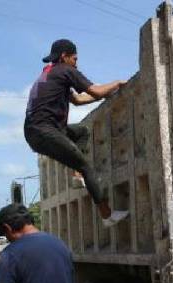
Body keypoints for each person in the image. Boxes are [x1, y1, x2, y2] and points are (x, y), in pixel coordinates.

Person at [24, 38, 128, 228]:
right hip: (44, 130)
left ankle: (76, 175)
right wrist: (117, 83)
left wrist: (105, 94)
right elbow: (95, 91)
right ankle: (107, 215)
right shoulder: (66, 70)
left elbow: (78, 100)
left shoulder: (49, 74)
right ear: (65, 56)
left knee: (81, 132)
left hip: (37, 131)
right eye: (75, 58)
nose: (77, 63)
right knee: (86, 165)